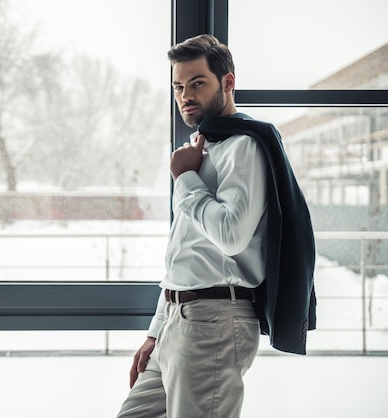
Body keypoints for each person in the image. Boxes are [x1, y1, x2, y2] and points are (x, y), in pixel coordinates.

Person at [116, 33, 316, 418]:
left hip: (215, 323)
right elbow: (184, 255)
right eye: (178, 86)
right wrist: (156, 331)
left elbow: (231, 236)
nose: (185, 95)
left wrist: (185, 180)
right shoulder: (199, 151)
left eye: (197, 83)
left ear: (227, 82)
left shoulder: (245, 146)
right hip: (178, 318)